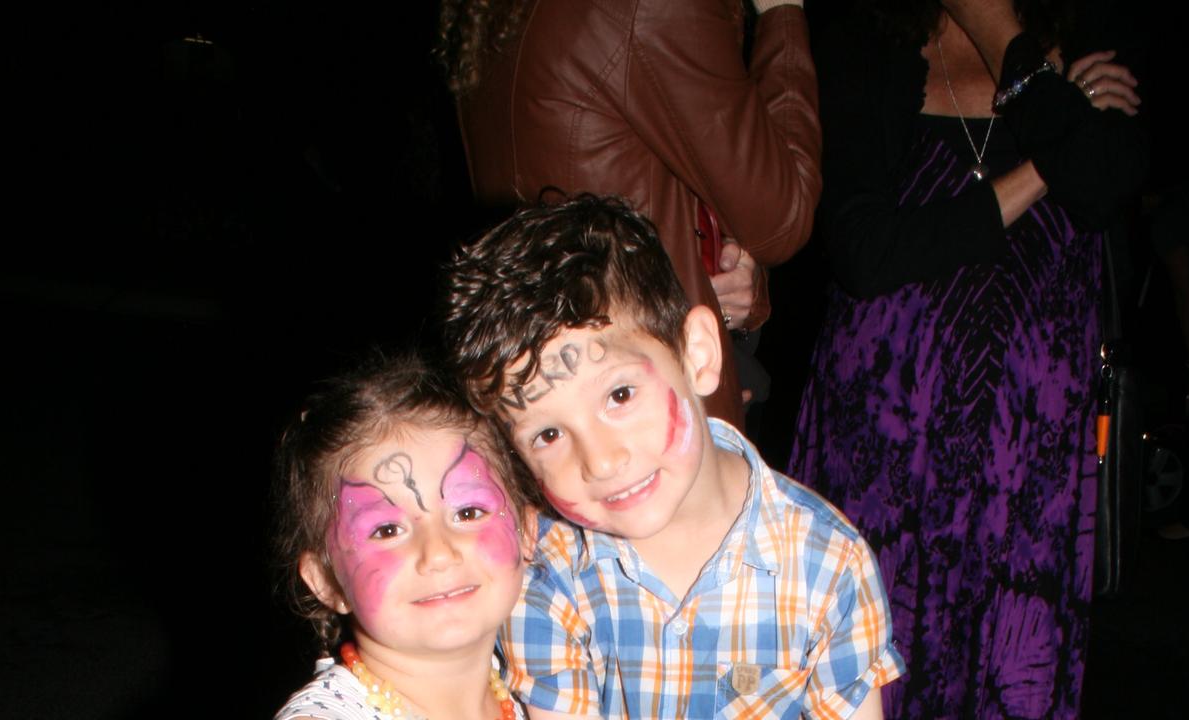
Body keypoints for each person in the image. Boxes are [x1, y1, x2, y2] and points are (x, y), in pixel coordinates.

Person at [787, 0, 1147, 718]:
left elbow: (1109, 183)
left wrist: (1002, 36)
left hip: (1027, 453)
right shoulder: (869, 43)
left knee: (1009, 672)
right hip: (885, 439)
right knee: (862, 677)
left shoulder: (1077, 42)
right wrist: (1047, 162)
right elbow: (866, 252)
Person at [440, 194, 904, 719]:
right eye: (548, 434)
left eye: (619, 396)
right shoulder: (546, 574)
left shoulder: (831, 567)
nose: (601, 461)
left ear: (698, 356)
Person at [436, 0, 822, 430]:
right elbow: (781, 220)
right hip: (641, 397)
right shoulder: (645, 8)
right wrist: (781, 11)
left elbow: (631, 165)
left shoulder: (494, 12)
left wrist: (719, 271)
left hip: (550, 384)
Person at [272, 353, 535, 720]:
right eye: (387, 531)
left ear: (527, 531)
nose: (439, 553)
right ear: (326, 580)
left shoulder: (547, 695)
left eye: (468, 513)